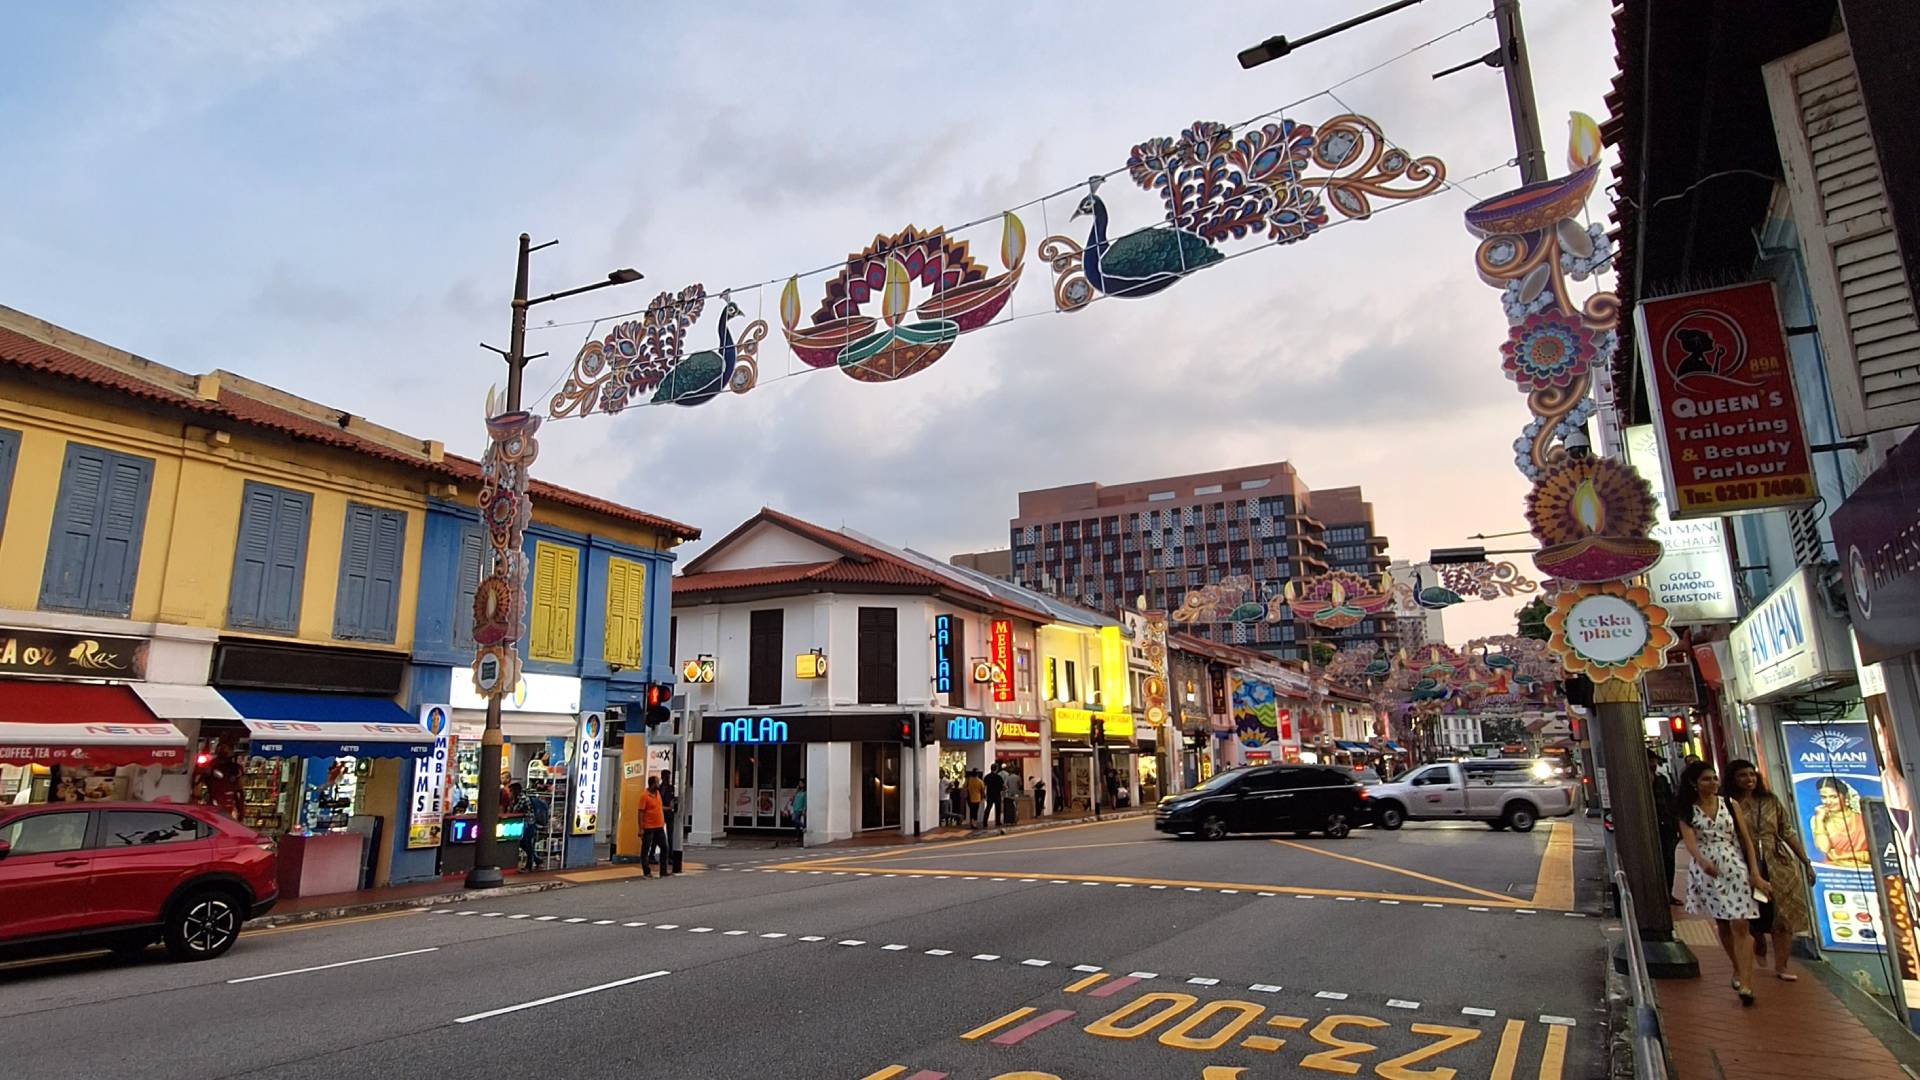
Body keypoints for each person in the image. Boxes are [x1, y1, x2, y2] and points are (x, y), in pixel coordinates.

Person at [1675, 761, 1766, 1005]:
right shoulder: (1687, 810)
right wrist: (1701, 860)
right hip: (1708, 870)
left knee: (1741, 923)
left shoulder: (1729, 804)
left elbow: (1745, 840)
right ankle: (1737, 967)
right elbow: (1690, 842)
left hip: (1734, 866)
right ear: (1694, 783)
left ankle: (1746, 982)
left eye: (1714, 778)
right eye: (1706, 779)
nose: (1712, 783)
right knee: (1723, 923)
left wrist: (1754, 873)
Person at [1728, 759, 1815, 981]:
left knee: (1784, 915)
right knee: (1752, 913)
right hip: (1744, 863)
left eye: (1752, 775)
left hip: (1778, 863)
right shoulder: (1728, 804)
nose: (1749, 780)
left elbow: (1787, 831)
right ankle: (1758, 941)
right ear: (1733, 779)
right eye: (1742, 775)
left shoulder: (1770, 801)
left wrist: (1806, 861)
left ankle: (1782, 966)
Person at [1811, 776, 1872, 868]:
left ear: (1845, 796)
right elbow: (1824, 849)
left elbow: (1876, 855)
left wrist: (1846, 855)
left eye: (1834, 797)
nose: (1828, 802)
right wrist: (1819, 820)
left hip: (1865, 872)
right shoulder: (1818, 820)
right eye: (1823, 797)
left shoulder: (1863, 819)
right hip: (1835, 875)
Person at [1648, 750, 1679, 901]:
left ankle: (1668, 893)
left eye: (1654, 762)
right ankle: (1656, 895)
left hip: (1667, 827)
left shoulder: (1662, 780)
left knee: (1669, 861)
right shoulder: (1639, 782)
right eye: (1650, 761)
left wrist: (1675, 825)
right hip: (1649, 829)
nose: (1653, 764)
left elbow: (1671, 802)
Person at [507, 782, 541, 871]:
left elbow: (515, 810)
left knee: (526, 843)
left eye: (511, 791)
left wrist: (511, 802)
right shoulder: (517, 799)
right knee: (523, 843)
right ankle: (537, 860)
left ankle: (529, 865)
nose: (510, 793)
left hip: (528, 824)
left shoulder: (523, 798)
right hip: (523, 823)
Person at [638, 776, 667, 878]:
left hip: (659, 826)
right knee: (645, 849)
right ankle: (646, 871)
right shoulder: (644, 796)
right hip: (648, 827)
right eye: (657, 783)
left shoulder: (658, 794)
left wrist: (667, 809)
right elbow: (640, 812)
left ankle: (663, 871)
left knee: (664, 847)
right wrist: (641, 828)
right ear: (653, 784)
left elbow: (659, 807)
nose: (659, 784)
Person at [657, 769, 678, 877]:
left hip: (669, 815)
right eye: (666, 777)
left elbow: (674, 799)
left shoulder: (671, 788)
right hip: (661, 814)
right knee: (657, 836)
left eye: (668, 777)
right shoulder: (658, 789)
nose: (667, 779)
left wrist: (673, 805)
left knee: (670, 836)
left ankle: (670, 857)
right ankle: (652, 855)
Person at [785, 779, 807, 847]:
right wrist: (796, 790)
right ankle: (797, 837)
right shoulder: (797, 792)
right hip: (795, 808)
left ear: (804, 784)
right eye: (799, 783)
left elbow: (805, 801)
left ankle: (804, 826)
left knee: (794, 819)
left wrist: (804, 809)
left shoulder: (805, 792)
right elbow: (793, 798)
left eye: (801, 783)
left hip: (800, 809)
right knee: (796, 825)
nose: (800, 784)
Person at [983, 763, 1005, 828]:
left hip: (989, 795)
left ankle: (985, 822)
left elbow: (984, 786)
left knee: (988, 808)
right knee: (998, 809)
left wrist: (984, 794)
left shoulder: (987, 776)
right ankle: (998, 821)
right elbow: (1002, 787)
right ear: (996, 769)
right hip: (997, 795)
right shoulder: (999, 777)